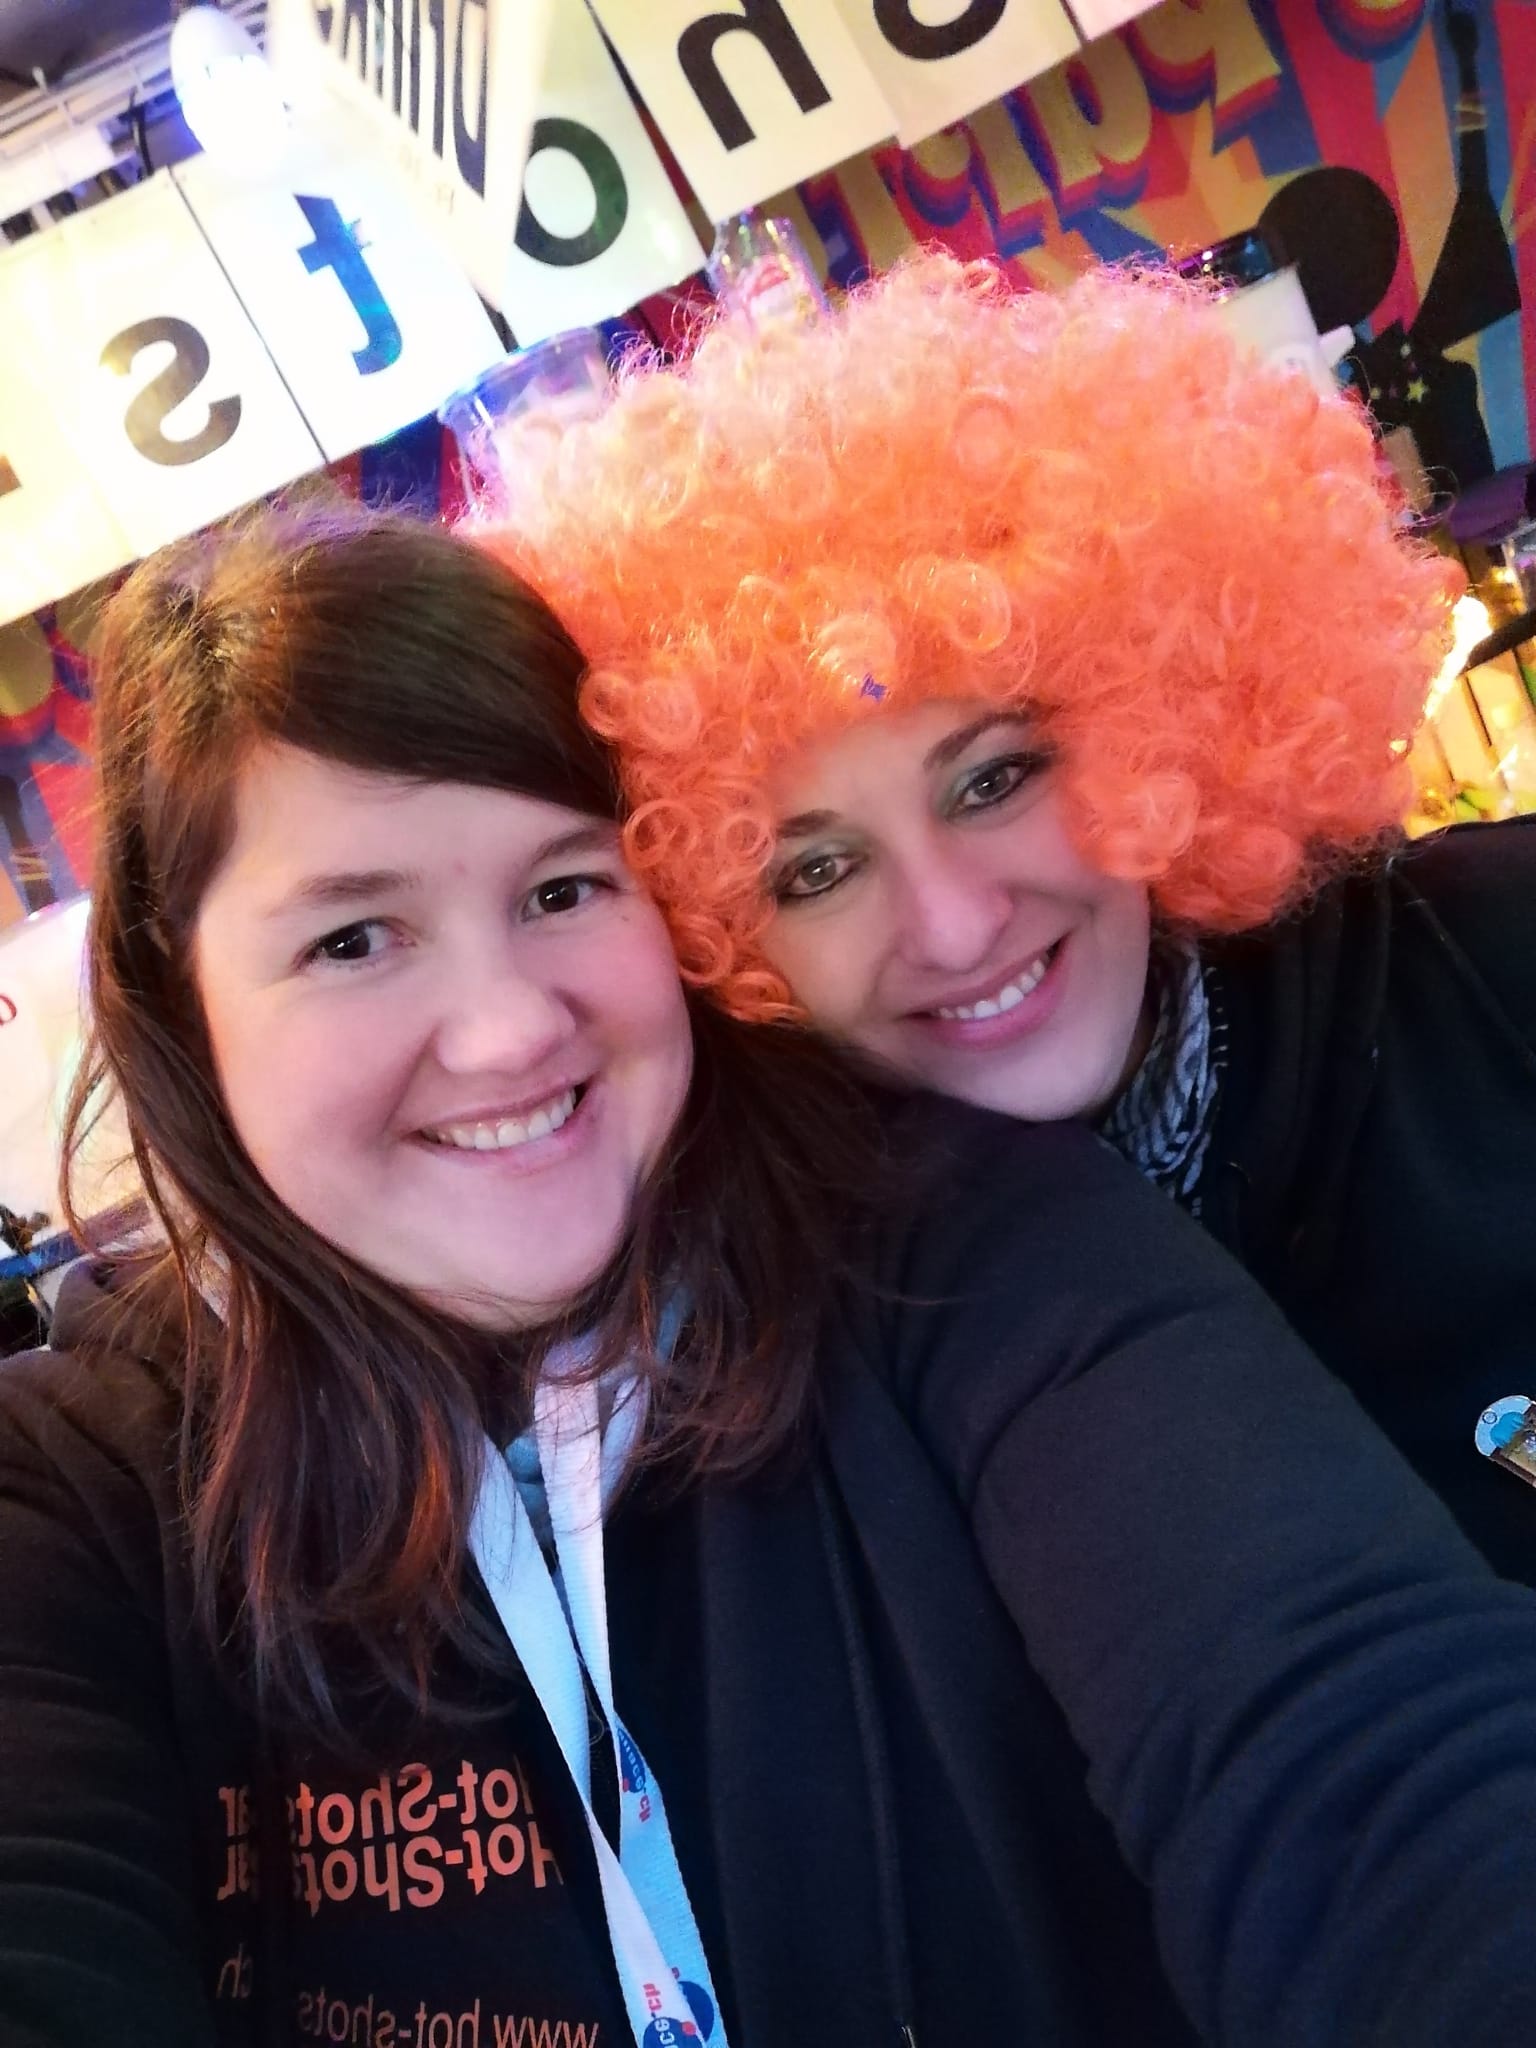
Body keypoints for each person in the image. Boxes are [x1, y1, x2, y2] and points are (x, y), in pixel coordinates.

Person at [10, 503, 1536, 2048]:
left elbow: (1353, 1757)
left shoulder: (963, 1246)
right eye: (353, 939)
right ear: (178, 1004)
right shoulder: (75, 1490)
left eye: (562, 889)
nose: (510, 1028)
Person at [493, 250, 1536, 1589]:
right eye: (816, 872)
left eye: (994, 781)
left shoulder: (1495, 967)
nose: (953, 925)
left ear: (1167, 719)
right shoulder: (784, 1380)